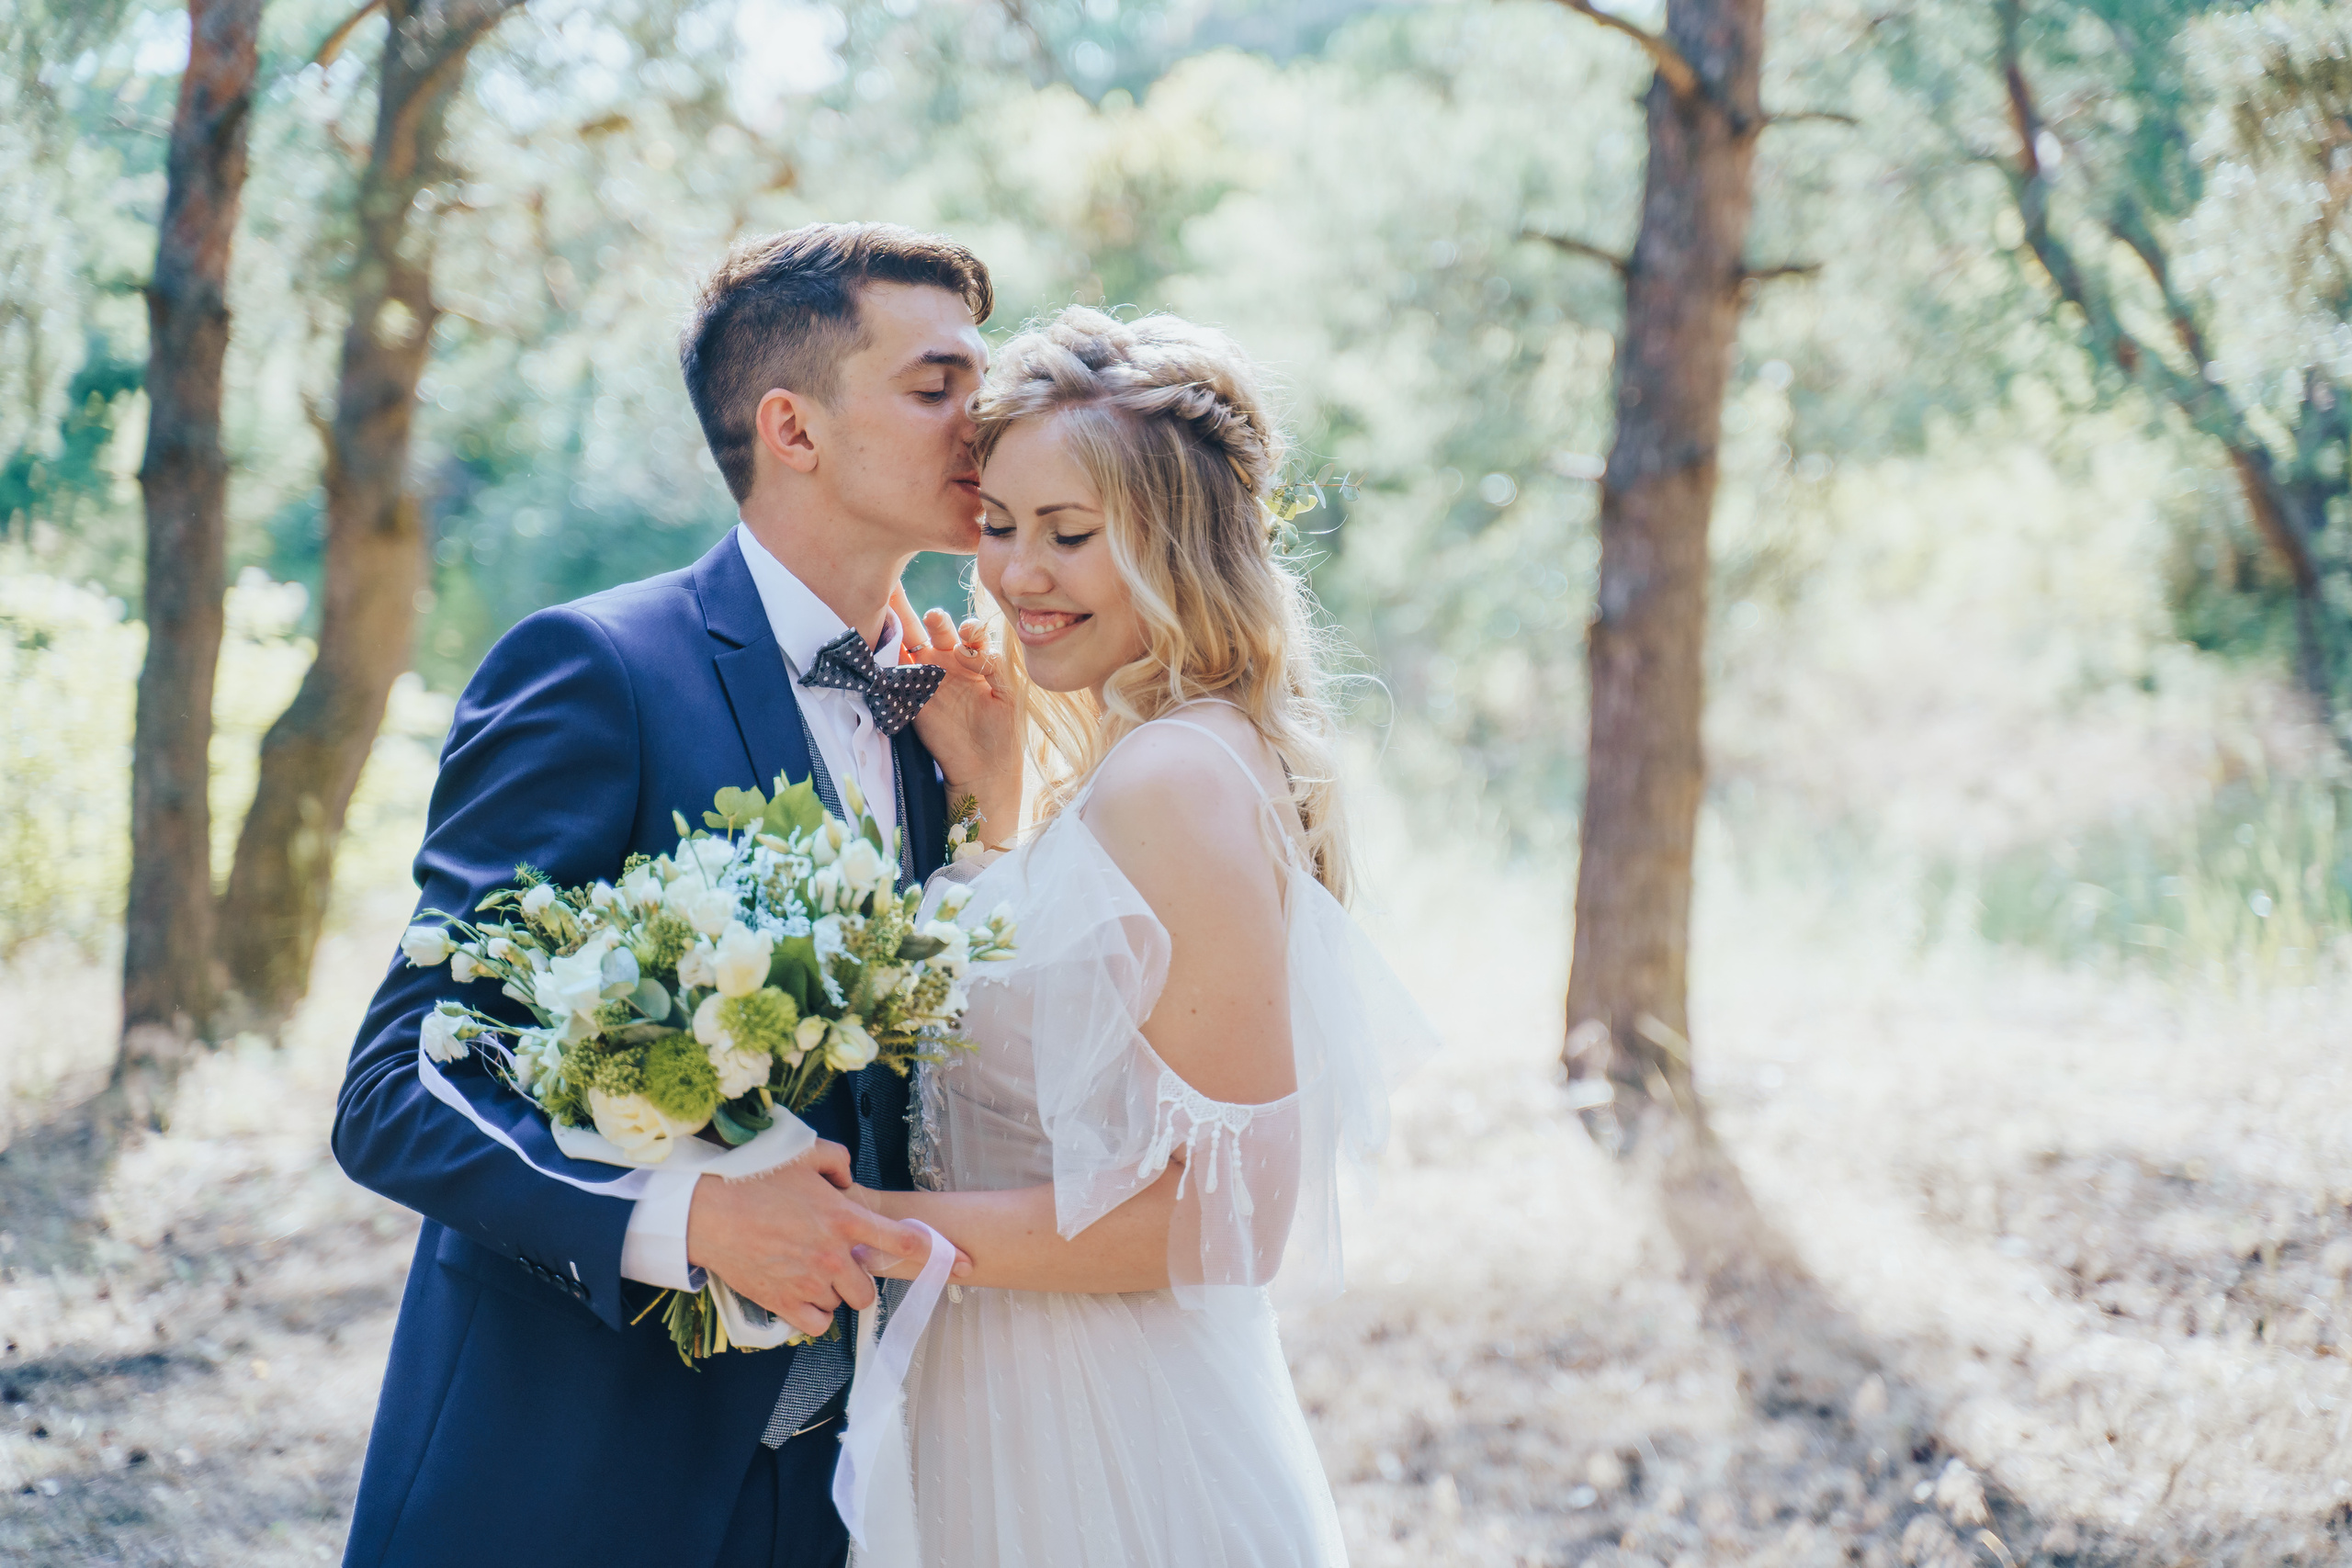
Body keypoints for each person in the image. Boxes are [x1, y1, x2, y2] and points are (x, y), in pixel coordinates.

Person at [334, 222, 1010, 1568]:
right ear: (792, 428)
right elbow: (401, 1088)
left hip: (862, 1488)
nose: (983, 426)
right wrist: (691, 1217)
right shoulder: (596, 670)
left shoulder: (957, 717)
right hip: (579, 1474)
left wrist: (997, 807)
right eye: (937, 387)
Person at [871, 306, 1437, 1566]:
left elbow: (1229, 1218)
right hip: (1021, 1393)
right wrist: (993, 808)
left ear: (1179, 542)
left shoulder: (1173, 778)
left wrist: (869, 1229)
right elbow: (1087, 1017)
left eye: (1069, 534)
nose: (1018, 575)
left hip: (1106, 1438)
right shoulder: (1163, 757)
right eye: (999, 525)